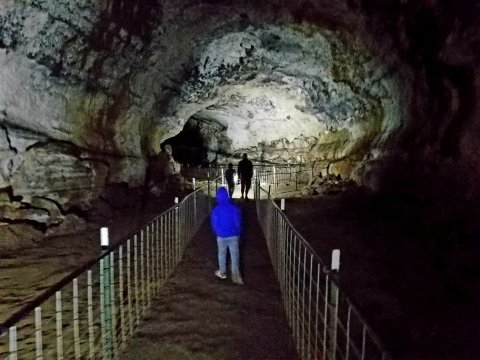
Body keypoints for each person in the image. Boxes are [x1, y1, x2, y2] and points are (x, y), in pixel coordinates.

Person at [211, 187, 244, 285]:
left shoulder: (216, 209)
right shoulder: (234, 208)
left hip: (221, 236)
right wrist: (238, 232)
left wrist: (217, 232)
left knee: (221, 254)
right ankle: (236, 277)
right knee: (235, 256)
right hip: (233, 235)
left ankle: (222, 272)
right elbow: (237, 222)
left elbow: (214, 223)